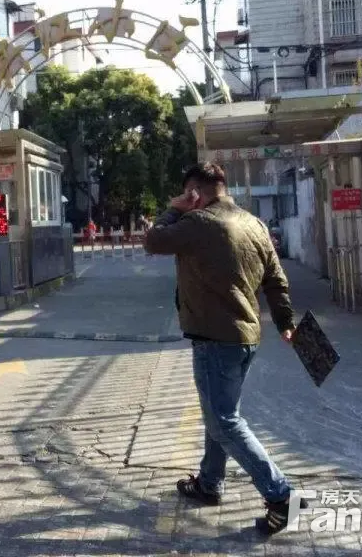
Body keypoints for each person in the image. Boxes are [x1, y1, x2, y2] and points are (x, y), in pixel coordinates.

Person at [144, 163, 303, 535]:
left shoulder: (198, 221)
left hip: (215, 339)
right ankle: (209, 483)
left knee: (223, 421)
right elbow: (276, 279)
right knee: (220, 414)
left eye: (187, 194)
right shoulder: (254, 223)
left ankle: (282, 496)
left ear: (195, 192)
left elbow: (153, 241)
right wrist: (285, 322)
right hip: (246, 337)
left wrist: (174, 208)